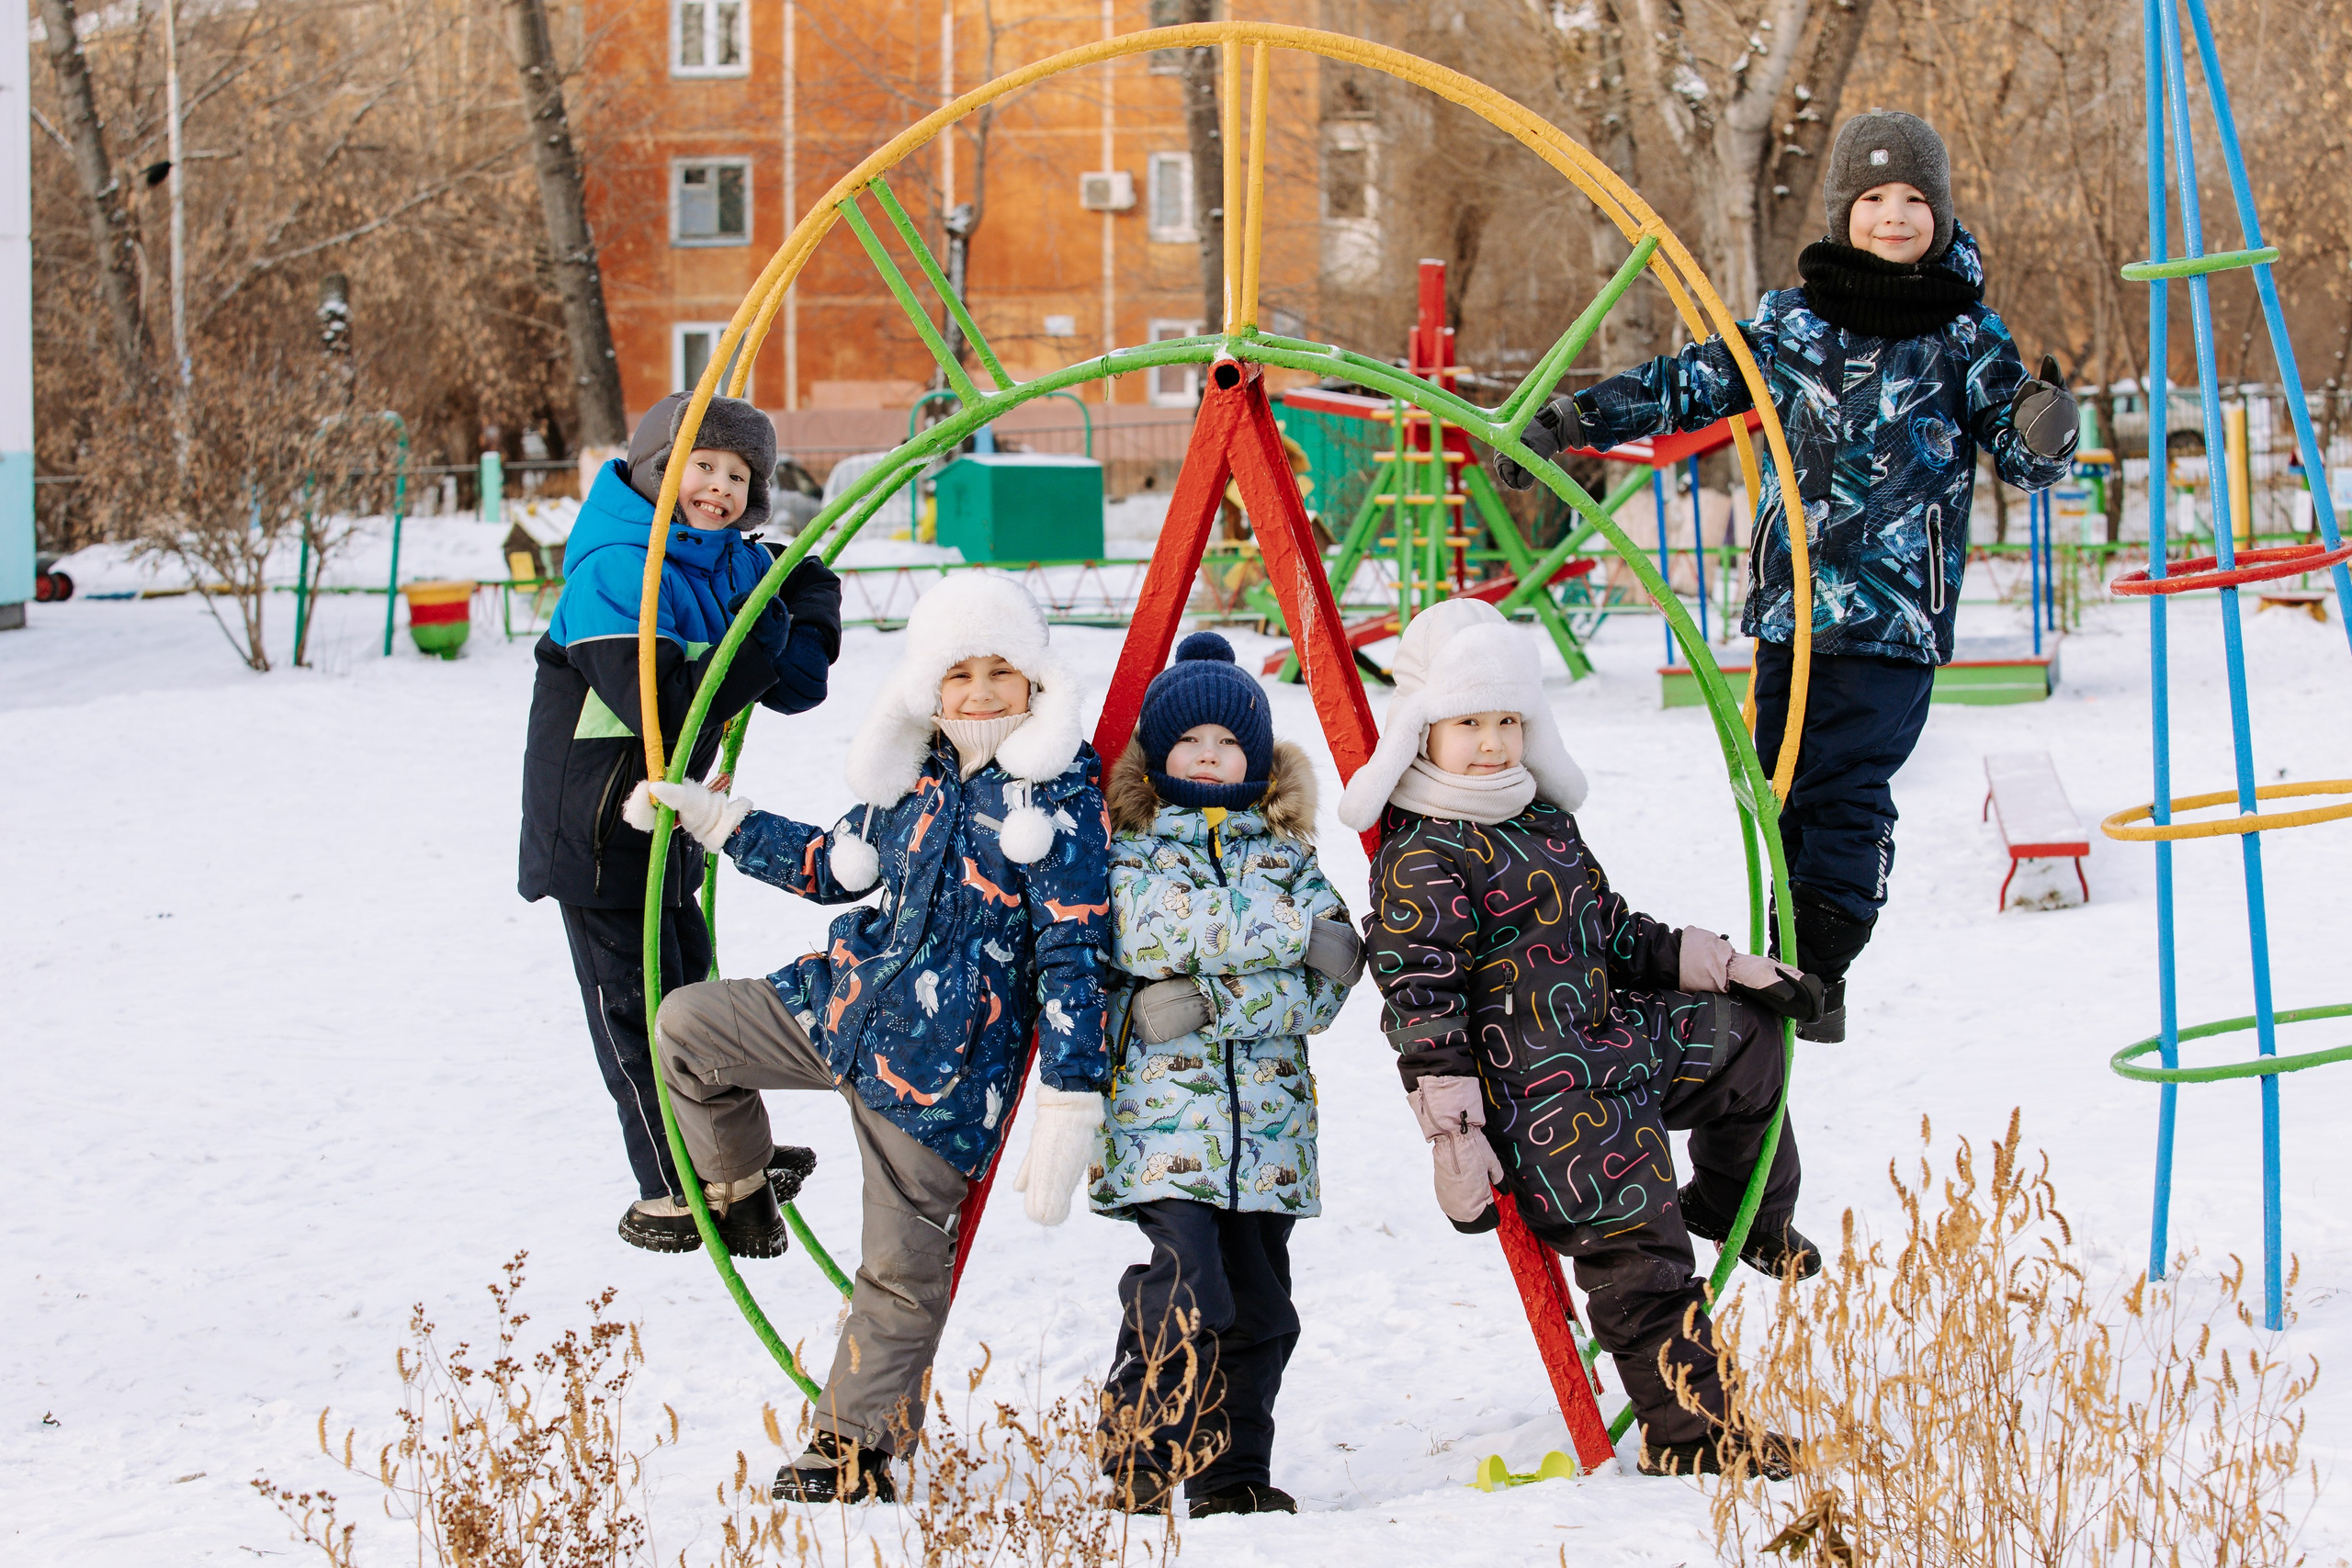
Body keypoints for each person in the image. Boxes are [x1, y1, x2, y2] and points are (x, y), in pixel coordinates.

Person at [1496, 109, 2079, 1041]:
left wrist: (2046, 430)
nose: (1894, 216)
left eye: (1914, 199)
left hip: (1892, 617)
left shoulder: (1965, 336)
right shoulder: (1792, 326)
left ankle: (1821, 964)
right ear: (1844, 212)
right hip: (1794, 611)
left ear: (1940, 213)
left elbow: (2020, 450)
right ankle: (1792, 964)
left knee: (1845, 789)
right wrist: (1575, 420)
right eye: (1874, 198)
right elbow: (1689, 383)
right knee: (1782, 793)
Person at [642, 573, 1112, 1505]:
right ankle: (741, 1183)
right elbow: (833, 865)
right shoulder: (913, 778)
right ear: (929, 688)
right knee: (687, 1028)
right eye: (959, 674)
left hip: (942, 1075)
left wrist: (1070, 1094)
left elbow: (1074, 951)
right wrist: (720, 821)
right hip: (838, 1006)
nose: (980, 692)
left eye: (1000, 671)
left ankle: (853, 1449)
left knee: (899, 1267)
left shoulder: (1058, 801)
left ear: (1035, 678)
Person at [1339, 601, 1825, 1477]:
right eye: (1468, 723)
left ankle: (1735, 1206)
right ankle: (1693, 1433)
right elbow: (1422, 1004)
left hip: (1613, 1040)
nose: (1493, 743)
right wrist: (1455, 1134)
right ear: (1422, 729)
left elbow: (1614, 932)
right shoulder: (1424, 856)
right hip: (1545, 1100)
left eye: (1508, 720)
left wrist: (1724, 967)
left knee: (1750, 1041)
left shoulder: (1543, 821)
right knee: (1641, 1249)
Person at [1023, 633, 1359, 1518]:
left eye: (1229, 741)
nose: (1209, 755)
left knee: (1263, 1312)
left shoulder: (1290, 854)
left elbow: (1332, 981)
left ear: (1258, 757)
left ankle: (1232, 1473)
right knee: (1189, 1287)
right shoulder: (1129, 850)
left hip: (1271, 1137)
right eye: (1189, 741)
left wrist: (1209, 1001)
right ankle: (1139, 1448)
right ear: (1157, 755)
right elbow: (1151, 932)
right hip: (1164, 1127)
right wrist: (1288, 936)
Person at [519, 393, 842, 1248]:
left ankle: (734, 1154)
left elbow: (798, 677)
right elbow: (663, 711)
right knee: (637, 1014)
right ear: (659, 469)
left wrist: (795, 606)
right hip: (595, 835)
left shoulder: (724, 564)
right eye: (703, 465)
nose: (720, 487)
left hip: (665, 828)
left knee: (692, 1000)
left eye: (739, 476)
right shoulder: (617, 569)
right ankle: (671, 1184)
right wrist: (761, 633)